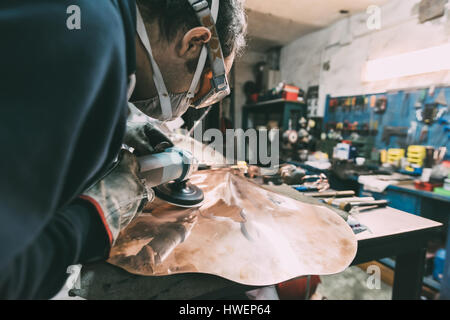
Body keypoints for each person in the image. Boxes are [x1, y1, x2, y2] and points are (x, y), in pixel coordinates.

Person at [0, 0, 246, 299]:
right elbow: (10, 276)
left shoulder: (91, 19)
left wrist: (114, 119)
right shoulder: (92, 36)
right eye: (206, 87)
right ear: (193, 42)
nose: (192, 101)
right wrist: (97, 216)